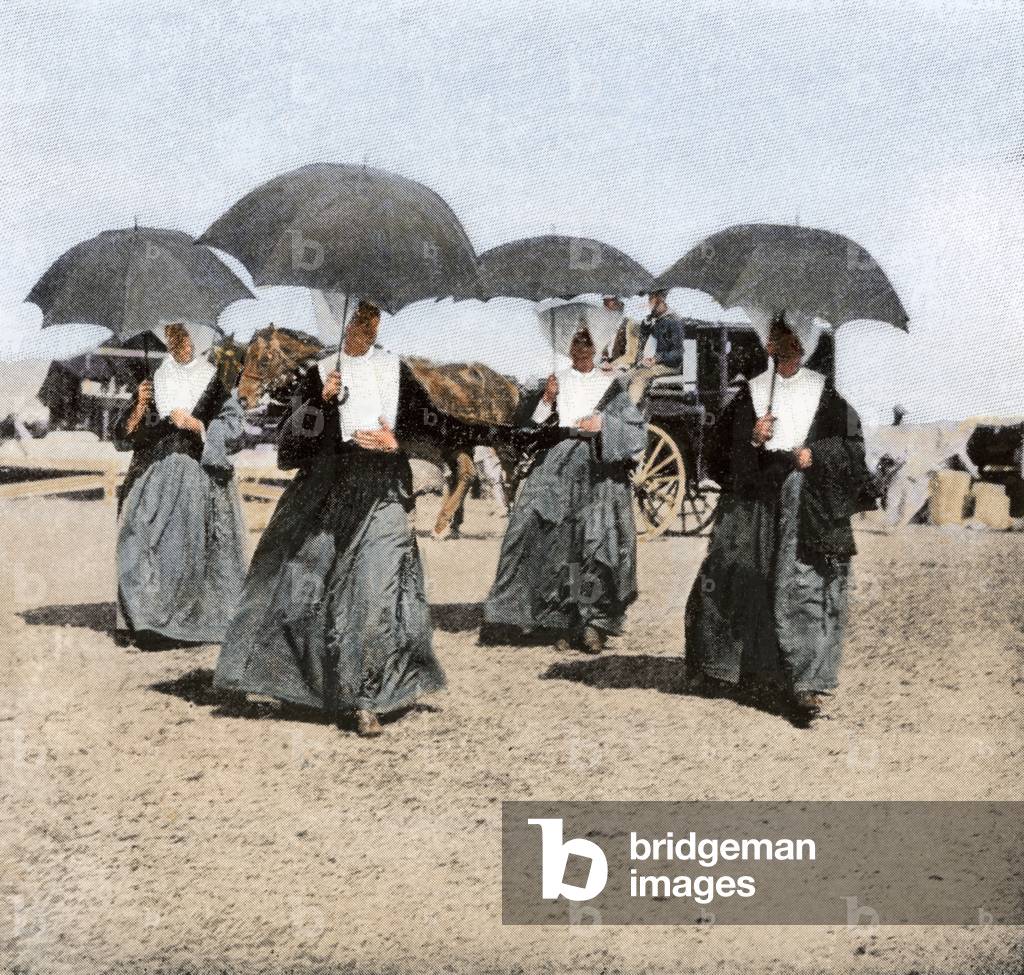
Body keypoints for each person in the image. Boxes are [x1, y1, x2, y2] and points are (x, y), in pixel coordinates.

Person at [213, 301, 531, 737]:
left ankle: (364, 698)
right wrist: (320, 405)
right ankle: (300, 683)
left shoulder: (399, 373)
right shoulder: (317, 374)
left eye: (373, 315)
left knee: (377, 588)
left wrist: (395, 440)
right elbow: (290, 451)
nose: (366, 323)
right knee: (305, 586)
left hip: (383, 491)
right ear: (343, 323)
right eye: (358, 315)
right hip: (326, 489)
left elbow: (440, 428)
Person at [683, 312, 874, 723]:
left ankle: (806, 687)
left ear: (803, 348)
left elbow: (854, 450)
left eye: (792, 342)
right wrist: (753, 437)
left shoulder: (827, 396)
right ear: (768, 347)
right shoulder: (750, 394)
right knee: (738, 576)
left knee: (803, 589)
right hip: (754, 506)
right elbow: (718, 456)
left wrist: (815, 455)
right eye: (777, 341)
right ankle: (738, 668)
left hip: (807, 507)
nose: (784, 349)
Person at [483, 325, 646, 654]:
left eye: (588, 341)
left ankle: (590, 623)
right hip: (558, 464)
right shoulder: (554, 381)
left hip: (600, 468)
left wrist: (604, 425)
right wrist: (546, 400)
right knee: (540, 530)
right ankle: (555, 618)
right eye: (575, 341)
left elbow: (636, 433)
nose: (582, 348)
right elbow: (527, 429)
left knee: (595, 543)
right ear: (567, 346)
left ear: (597, 345)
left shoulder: (613, 384)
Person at [114, 322, 246, 647]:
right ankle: (144, 621)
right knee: (137, 538)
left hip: (197, 476)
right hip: (151, 473)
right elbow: (123, 436)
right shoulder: (154, 379)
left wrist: (200, 425)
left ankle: (179, 622)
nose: (179, 344)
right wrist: (140, 404)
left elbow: (235, 428)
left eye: (185, 337)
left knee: (183, 549)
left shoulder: (215, 381)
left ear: (198, 338)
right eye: (172, 338)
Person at [626, 288, 686, 403]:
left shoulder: (674, 321)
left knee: (639, 377)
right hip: (652, 363)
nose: (648, 303)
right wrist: (646, 326)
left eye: (651, 299)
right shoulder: (657, 320)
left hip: (669, 366)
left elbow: (678, 353)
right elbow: (646, 341)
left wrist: (657, 358)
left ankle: (630, 410)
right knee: (625, 376)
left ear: (661, 300)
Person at [600, 295, 642, 370]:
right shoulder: (609, 325)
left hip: (625, 368)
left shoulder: (631, 324)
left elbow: (632, 355)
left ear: (620, 304)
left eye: (609, 303)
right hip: (609, 367)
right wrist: (604, 360)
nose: (605, 308)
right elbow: (605, 349)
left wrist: (613, 364)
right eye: (604, 303)